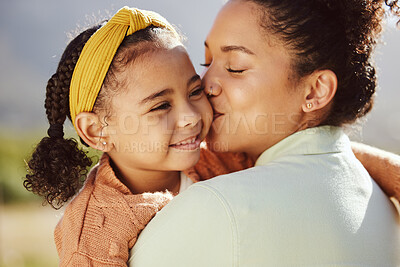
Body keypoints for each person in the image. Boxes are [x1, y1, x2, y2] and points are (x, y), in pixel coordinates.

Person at [128, 0, 400, 266]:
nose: (205, 84)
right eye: (207, 62)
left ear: (315, 91)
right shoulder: (385, 208)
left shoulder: (216, 206)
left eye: (235, 67)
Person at [23, 6, 218, 266]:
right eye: (161, 106)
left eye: (195, 91)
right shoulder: (92, 236)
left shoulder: (222, 158)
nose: (191, 116)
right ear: (96, 131)